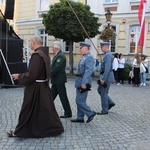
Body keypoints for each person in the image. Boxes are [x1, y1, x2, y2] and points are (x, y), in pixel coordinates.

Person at [7, 36, 64, 138]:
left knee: (27, 109)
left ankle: (19, 132)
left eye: (30, 43)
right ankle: (54, 128)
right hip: (43, 87)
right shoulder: (45, 55)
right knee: (45, 110)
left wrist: (19, 76)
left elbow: (32, 75)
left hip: (35, 89)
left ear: (33, 43)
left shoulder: (37, 56)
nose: (30, 45)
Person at [71, 42, 96, 123]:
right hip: (80, 80)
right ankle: (80, 117)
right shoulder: (84, 57)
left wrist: (84, 83)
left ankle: (90, 113)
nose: (80, 49)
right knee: (81, 100)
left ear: (86, 48)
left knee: (79, 100)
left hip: (83, 81)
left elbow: (88, 71)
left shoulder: (89, 57)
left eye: (81, 48)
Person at [51, 41, 72, 118]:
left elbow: (56, 68)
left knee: (63, 97)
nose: (52, 49)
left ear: (56, 48)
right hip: (56, 80)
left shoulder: (61, 56)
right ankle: (45, 110)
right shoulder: (57, 55)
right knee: (50, 96)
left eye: (53, 48)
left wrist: (48, 75)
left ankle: (68, 112)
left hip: (59, 80)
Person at [97, 41, 115, 115]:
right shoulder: (107, 54)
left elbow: (107, 68)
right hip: (105, 75)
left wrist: (103, 79)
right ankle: (110, 102)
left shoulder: (108, 55)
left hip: (106, 77)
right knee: (100, 90)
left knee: (104, 93)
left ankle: (105, 110)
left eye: (102, 47)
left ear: (106, 47)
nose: (101, 48)